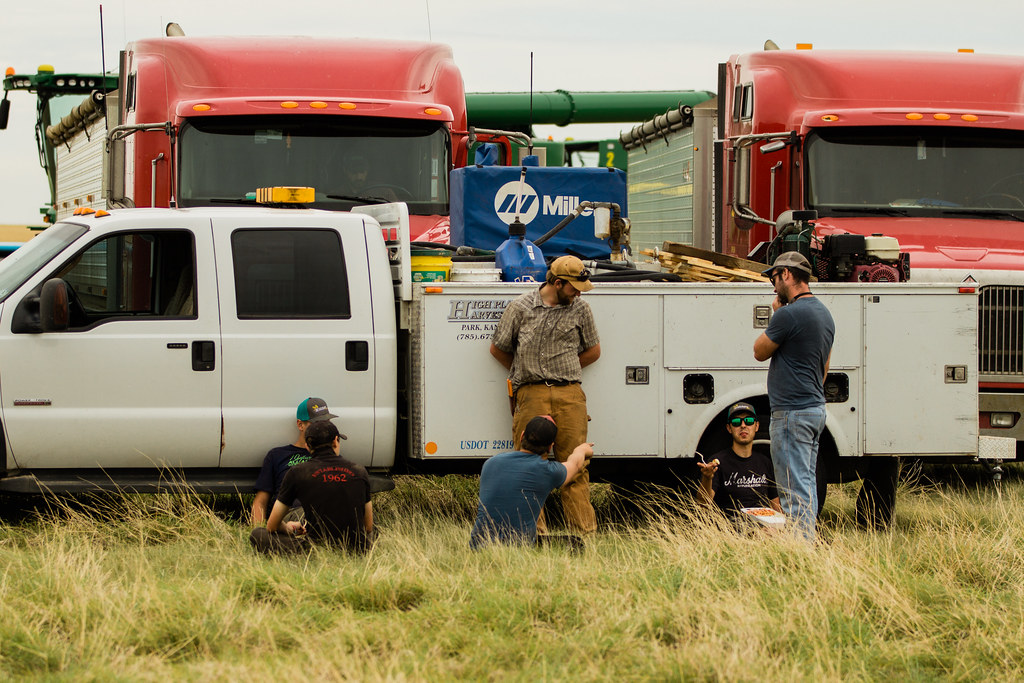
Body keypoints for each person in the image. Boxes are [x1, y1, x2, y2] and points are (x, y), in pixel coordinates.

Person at [489, 255, 601, 536]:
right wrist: (525, 371)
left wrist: (564, 368)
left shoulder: (582, 309)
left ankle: (583, 536)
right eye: (574, 288)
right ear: (558, 282)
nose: (578, 293)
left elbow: (594, 350)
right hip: (531, 393)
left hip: (570, 393)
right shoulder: (520, 307)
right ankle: (534, 535)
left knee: (578, 464)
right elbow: (498, 348)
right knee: (527, 465)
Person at [753, 251, 835, 541]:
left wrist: (777, 315)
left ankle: (800, 551)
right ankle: (808, 542)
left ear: (787, 274)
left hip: (792, 413)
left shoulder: (788, 314)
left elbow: (759, 351)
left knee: (791, 488)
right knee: (806, 485)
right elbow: (824, 367)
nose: (773, 287)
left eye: (774, 279)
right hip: (815, 409)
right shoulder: (824, 314)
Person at [250, 419, 374, 554]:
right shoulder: (359, 471)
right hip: (356, 548)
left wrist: (288, 529)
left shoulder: (297, 472)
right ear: (335, 441)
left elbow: (272, 525)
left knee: (258, 534)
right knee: (375, 532)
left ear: (308, 447)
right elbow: (368, 526)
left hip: (314, 550)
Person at [470, 415, 593, 549]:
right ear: (550, 447)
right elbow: (575, 464)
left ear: (522, 436)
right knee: (576, 543)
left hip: (479, 545)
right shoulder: (548, 471)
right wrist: (581, 450)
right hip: (519, 546)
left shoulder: (491, 463)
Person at [250, 397, 346, 525]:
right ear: (300, 425)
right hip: (295, 512)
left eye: (326, 422)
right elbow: (261, 501)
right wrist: (258, 529)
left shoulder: (331, 454)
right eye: (317, 423)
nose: (323, 428)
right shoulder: (277, 455)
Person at [697, 402, 781, 516]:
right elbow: (703, 504)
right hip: (730, 526)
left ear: (756, 426)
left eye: (749, 421)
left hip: (761, 524)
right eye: (736, 422)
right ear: (729, 428)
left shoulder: (765, 462)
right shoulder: (717, 461)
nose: (743, 425)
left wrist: (779, 526)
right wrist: (707, 478)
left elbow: (775, 505)